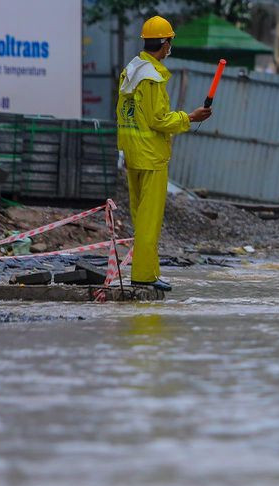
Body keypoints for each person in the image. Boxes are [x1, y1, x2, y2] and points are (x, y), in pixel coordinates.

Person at [116, 16, 212, 291]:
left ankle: (147, 271)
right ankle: (145, 276)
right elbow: (158, 119)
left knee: (139, 216)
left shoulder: (132, 70)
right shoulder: (152, 77)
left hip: (132, 154)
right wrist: (190, 117)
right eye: (170, 41)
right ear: (166, 43)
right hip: (151, 156)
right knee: (149, 220)